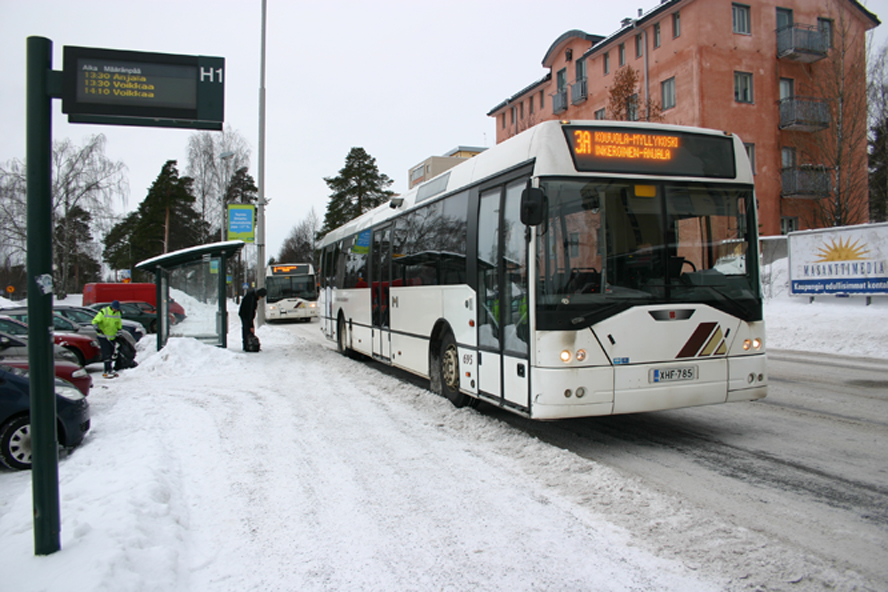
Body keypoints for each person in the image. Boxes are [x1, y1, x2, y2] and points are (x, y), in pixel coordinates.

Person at [92, 300, 123, 378]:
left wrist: (119, 330)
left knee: (111, 352)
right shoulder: (103, 312)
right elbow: (95, 321)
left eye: (117, 309)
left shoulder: (118, 313)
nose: (116, 310)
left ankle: (110, 368)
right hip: (103, 337)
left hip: (112, 336)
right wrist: (97, 328)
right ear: (112, 307)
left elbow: (118, 323)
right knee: (106, 353)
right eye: (115, 309)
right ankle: (107, 369)